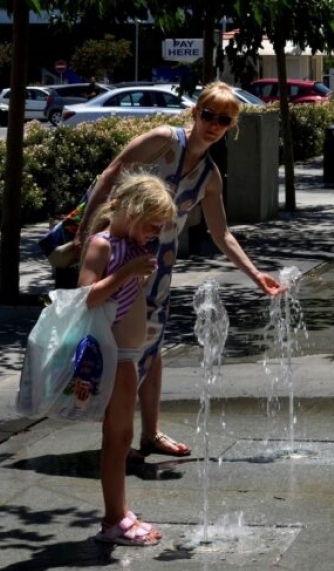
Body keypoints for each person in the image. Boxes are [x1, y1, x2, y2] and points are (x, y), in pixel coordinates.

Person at [75, 81, 284, 463]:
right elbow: (111, 175)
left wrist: (257, 276)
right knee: (120, 346)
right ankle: (116, 437)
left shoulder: (210, 176)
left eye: (224, 120)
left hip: (159, 269)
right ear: (195, 112)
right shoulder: (162, 140)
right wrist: (85, 231)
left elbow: (221, 234)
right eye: (209, 115)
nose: (214, 125)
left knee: (151, 349)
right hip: (122, 257)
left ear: (232, 126)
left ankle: (149, 434)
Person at [77, 172, 176, 546]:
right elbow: (86, 296)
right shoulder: (103, 246)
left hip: (128, 356)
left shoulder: (133, 247)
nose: (155, 234)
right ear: (133, 211)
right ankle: (113, 520)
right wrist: (127, 273)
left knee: (124, 437)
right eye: (152, 226)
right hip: (113, 356)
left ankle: (119, 511)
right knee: (116, 438)